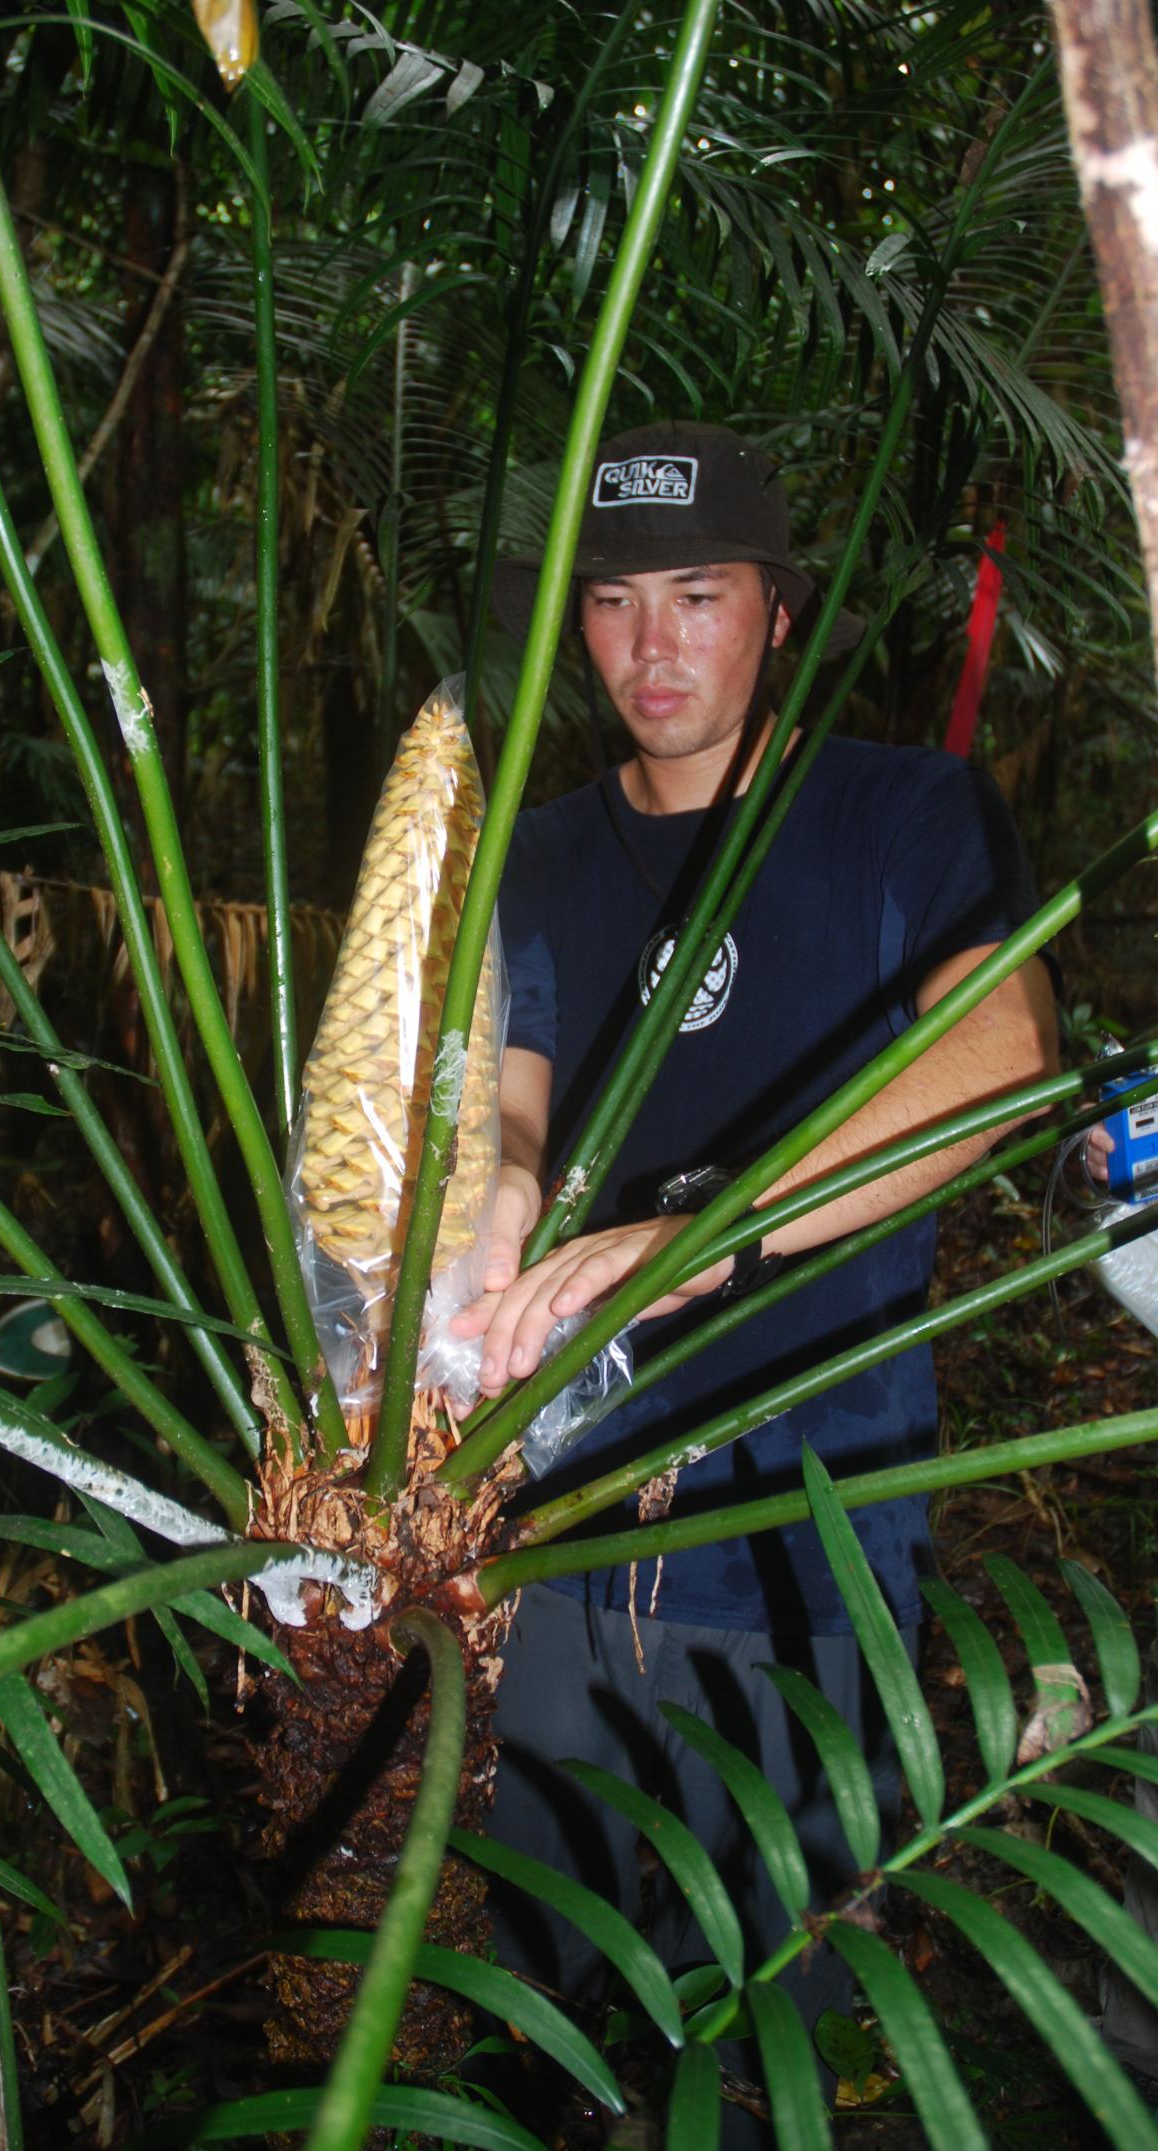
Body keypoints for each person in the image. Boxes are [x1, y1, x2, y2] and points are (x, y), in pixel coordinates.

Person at [449, 422, 1058, 2123]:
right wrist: (496, 1207)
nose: (654, 648)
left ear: (777, 612)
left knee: (748, 2033)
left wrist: (694, 1240)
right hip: (564, 1547)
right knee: (551, 2023)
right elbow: (508, 1098)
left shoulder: (903, 814)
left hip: (807, 1539)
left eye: (699, 596)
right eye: (617, 603)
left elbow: (1000, 1054)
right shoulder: (547, 853)